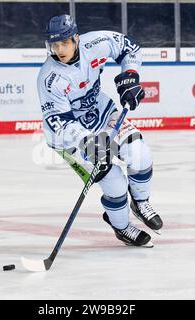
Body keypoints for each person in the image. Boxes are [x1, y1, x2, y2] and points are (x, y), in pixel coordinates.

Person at [37, 14, 163, 247]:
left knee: (140, 154)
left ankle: (140, 201)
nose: (59, 49)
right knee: (113, 181)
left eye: (64, 43)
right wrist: (87, 141)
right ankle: (122, 227)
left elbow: (130, 47)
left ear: (76, 38)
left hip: (100, 111)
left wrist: (131, 75)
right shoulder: (50, 77)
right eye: (54, 45)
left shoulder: (96, 43)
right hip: (68, 137)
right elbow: (58, 122)